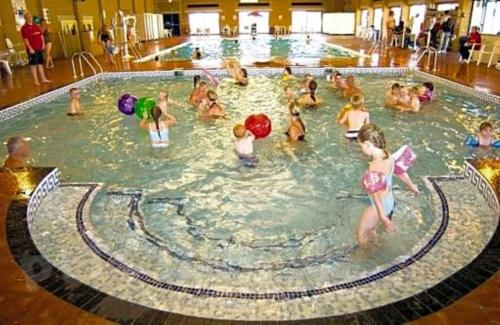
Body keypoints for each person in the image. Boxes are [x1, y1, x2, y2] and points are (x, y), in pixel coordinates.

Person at [356, 124, 420, 245]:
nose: (361, 150)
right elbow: (400, 172)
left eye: (361, 146)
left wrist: (384, 219)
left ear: (368, 145)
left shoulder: (374, 167)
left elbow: (376, 196)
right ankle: (376, 242)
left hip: (377, 207)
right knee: (372, 229)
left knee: (361, 233)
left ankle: (364, 255)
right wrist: (412, 186)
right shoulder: (389, 157)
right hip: (389, 201)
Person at [21, 11, 51, 86]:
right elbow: (25, 39)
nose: (30, 19)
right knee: (33, 65)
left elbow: (41, 36)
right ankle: (36, 81)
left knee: (40, 64)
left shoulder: (36, 26)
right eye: (28, 17)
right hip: (32, 50)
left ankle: (43, 79)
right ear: (25, 18)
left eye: (31, 17)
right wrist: (30, 48)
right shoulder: (24, 28)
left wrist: (43, 44)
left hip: (39, 48)